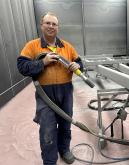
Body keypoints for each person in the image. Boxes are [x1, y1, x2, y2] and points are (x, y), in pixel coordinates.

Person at [17, 12, 83, 164]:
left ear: (58, 28)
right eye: (48, 23)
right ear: (41, 25)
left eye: (54, 24)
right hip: (45, 94)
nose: (51, 26)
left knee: (66, 123)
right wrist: (43, 63)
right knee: (47, 128)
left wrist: (78, 65)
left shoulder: (67, 46)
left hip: (66, 92)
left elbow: (79, 62)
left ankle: (64, 149)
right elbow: (22, 66)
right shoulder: (32, 46)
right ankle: (49, 160)